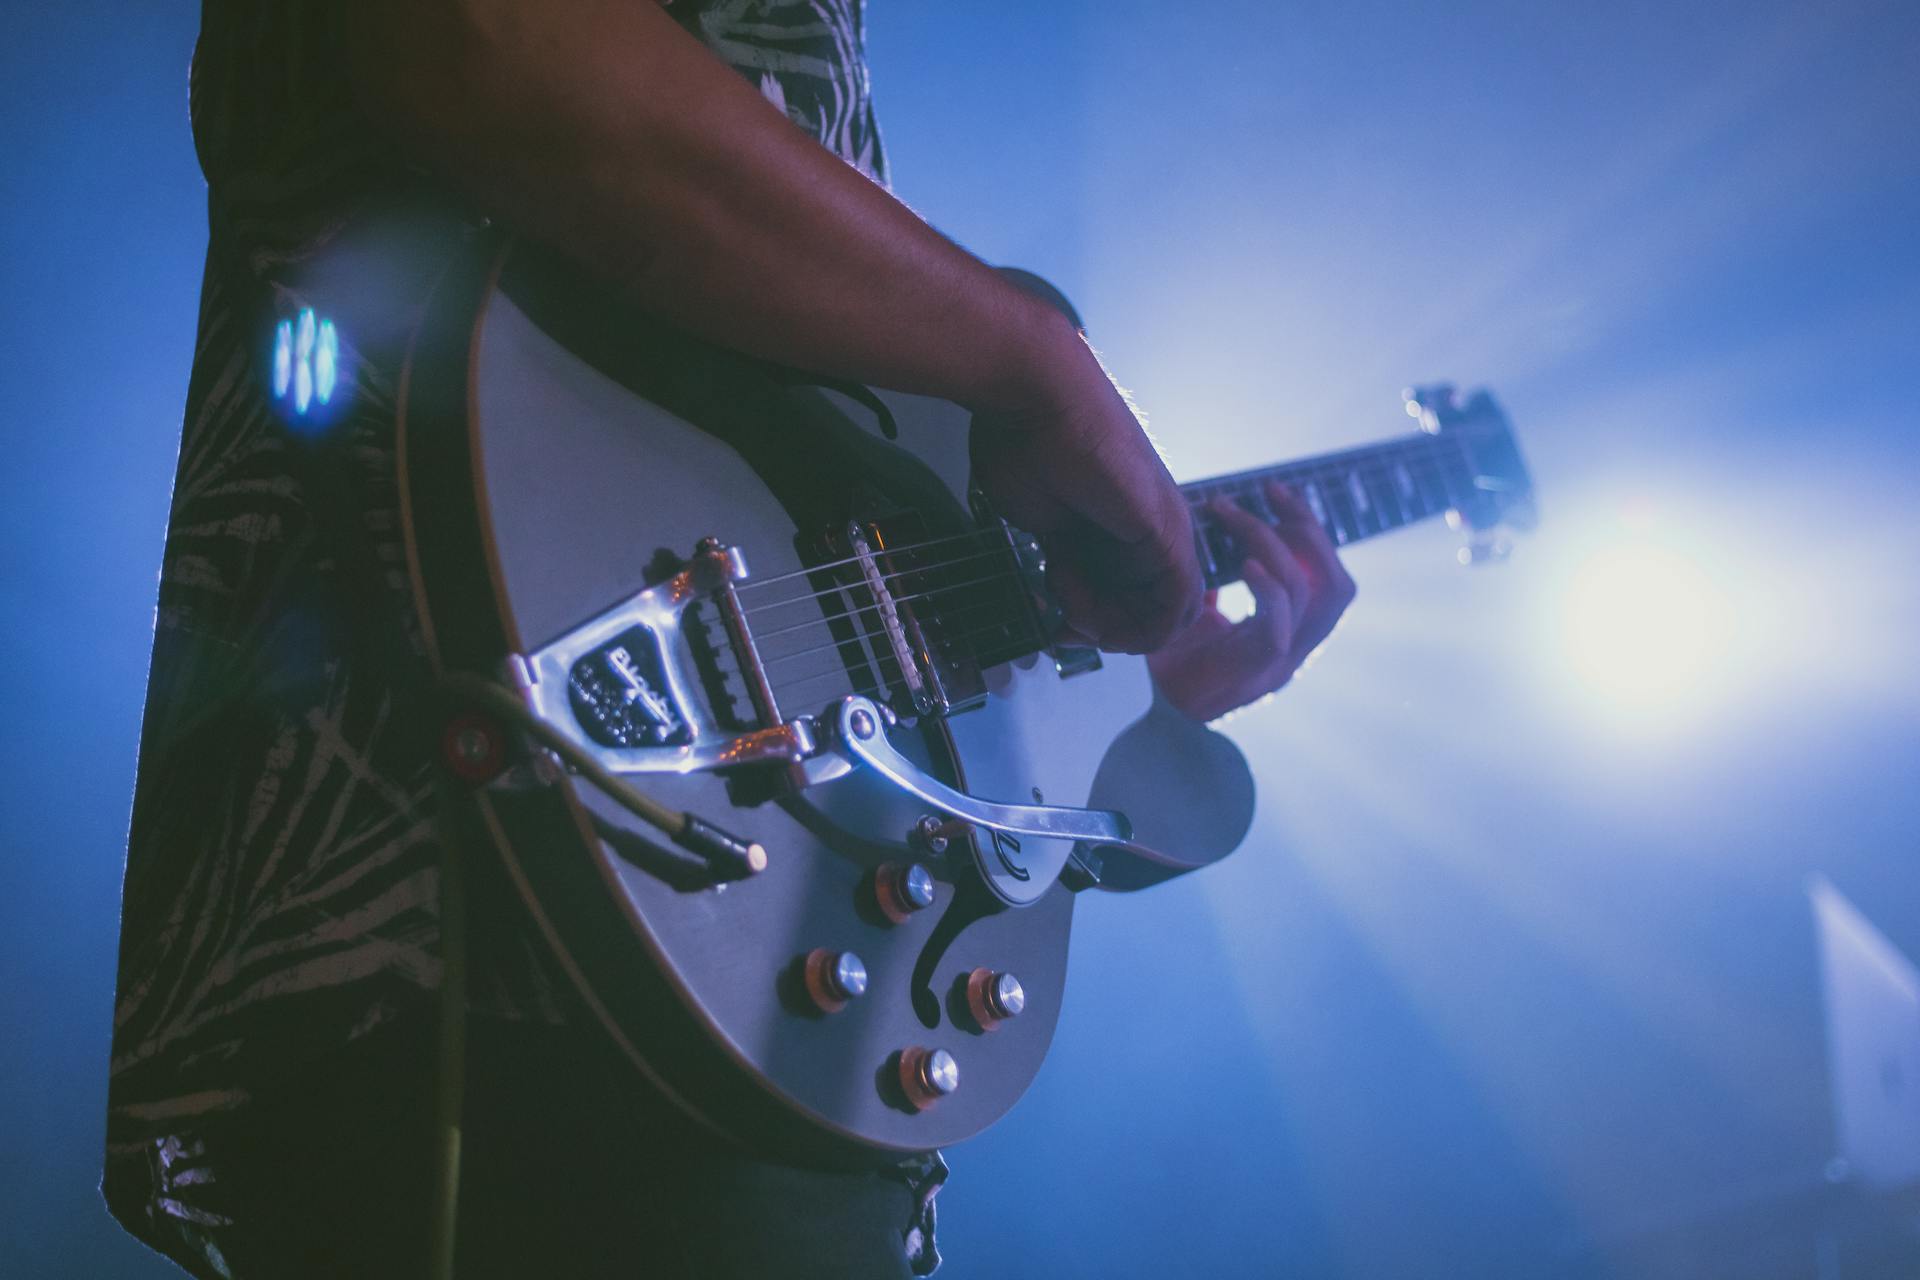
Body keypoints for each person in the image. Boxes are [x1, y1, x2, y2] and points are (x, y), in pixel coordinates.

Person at [104, 3, 1356, 1277]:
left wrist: (1114, 698)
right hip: (469, 911)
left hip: (713, 993)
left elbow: (826, 532)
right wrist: (1035, 360)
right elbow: (482, 39)